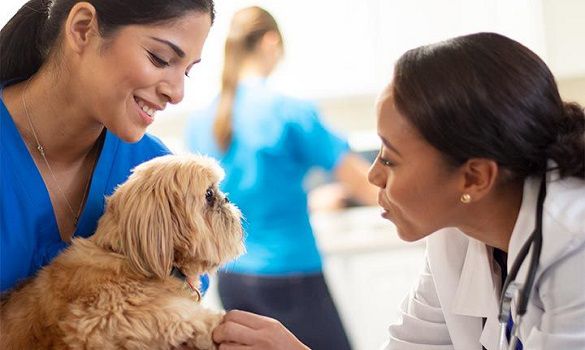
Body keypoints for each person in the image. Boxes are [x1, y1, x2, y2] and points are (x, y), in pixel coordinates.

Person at [212, 32, 585, 350]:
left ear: (474, 178)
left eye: (390, 159)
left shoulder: (574, 247)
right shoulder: (455, 236)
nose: (374, 176)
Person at [185, 6, 377, 350]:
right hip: (290, 273)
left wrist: (309, 199)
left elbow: (237, 197)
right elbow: (363, 182)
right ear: (271, 43)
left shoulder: (202, 120)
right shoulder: (289, 111)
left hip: (233, 277)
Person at [0, 0, 215, 293]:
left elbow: (183, 306)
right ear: (83, 28)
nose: (177, 93)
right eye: (160, 58)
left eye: (187, 71)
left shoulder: (159, 177)